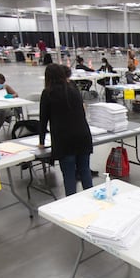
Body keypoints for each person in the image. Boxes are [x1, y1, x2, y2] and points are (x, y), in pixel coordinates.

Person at [38, 64, 93, 197]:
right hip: (83, 136)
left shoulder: (48, 93)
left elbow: (43, 119)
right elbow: (82, 113)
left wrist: (41, 142)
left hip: (64, 140)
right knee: (85, 171)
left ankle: (72, 206)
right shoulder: (73, 89)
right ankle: (93, 202)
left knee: (69, 175)